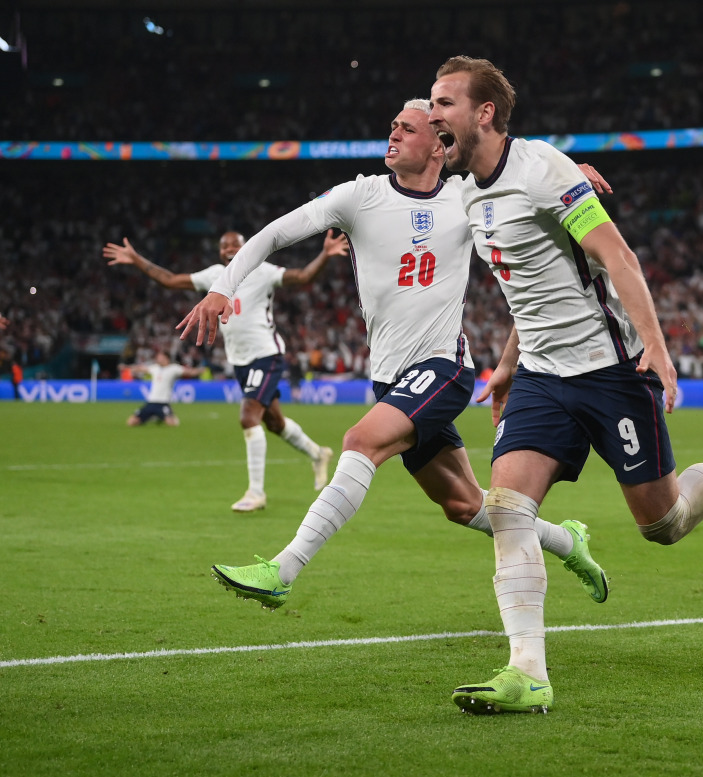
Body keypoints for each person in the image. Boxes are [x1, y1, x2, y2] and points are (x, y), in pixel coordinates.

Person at [429, 55, 703, 715]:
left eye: (443, 103)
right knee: (508, 507)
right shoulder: (467, 191)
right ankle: (528, 671)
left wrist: (659, 349)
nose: (433, 114)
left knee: (662, 522)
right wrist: (506, 362)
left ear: (483, 112)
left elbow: (616, 256)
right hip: (544, 377)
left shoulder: (545, 172)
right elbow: (533, 284)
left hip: (611, 370)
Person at [177, 99, 614, 610]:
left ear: (437, 143)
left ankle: (283, 568)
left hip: (443, 369)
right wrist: (221, 287)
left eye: (406, 130)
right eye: (393, 127)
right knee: (465, 505)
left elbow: (525, 173)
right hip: (390, 378)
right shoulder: (358, 195)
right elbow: (274, 234)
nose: (393, 135)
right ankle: (568, 542)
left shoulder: (468, 196)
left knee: (360, 440)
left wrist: (566, 173)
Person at [104, 230, 342, 511]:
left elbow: (302, 277)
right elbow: (169, 280)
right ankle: (318, 453)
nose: (229, 247)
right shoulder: (215, 276)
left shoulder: (262, 270)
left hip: (267, 355)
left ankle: (256, 494)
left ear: (246, 248)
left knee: (248, 416)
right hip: (240, 362)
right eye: (224, 244)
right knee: (274, 422)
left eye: (235, 243)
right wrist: (136, 258)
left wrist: (325, 254)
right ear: (219, 252)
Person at [120, 350, 204, 426]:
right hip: (151, 402)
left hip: (163, 403)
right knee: (131, 422)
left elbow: (189, 372)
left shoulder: (174, 368)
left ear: (166, 358)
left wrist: (200, 370)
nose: (158, 359)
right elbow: (141, 369)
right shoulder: (155, 368)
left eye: (160, 357)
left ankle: (160, 416)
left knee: (172, 424)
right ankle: (154, 416)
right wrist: (127, 367)